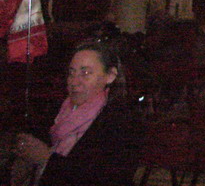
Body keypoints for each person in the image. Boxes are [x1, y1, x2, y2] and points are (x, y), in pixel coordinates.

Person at [12, 39, 141, 186]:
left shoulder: (122, 121)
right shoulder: (59, 112)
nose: (74, 81)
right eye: (71, 73)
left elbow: (107, 177)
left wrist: (47, 159)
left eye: (85, 73)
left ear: (110, 76)